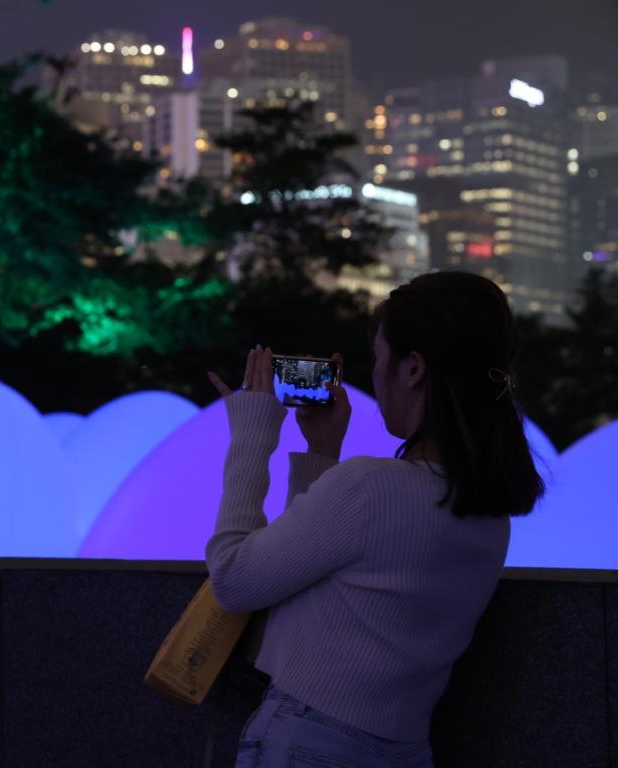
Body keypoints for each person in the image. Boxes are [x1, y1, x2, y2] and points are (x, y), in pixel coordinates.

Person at [205, 271, 544, 767]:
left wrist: (253, 435)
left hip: (307, 742)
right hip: (403, 750)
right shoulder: (490, 516)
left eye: (379, 358)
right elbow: (305, 574)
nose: (375, 374)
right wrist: (321, 449)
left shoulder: (370, 487)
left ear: (412, 369)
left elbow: (234, 579)